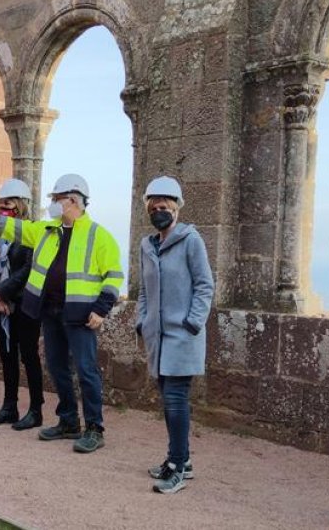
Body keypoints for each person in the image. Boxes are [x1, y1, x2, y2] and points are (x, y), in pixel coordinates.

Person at [0, 173, 122, 454]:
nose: (53, 204)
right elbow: (12, 228)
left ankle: (94, 428)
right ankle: (68, 421)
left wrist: (101, 309)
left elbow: (113, 276)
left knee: (86, 371)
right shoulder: (47, 229)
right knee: (57, 368)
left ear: (73, 200)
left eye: (57, 199)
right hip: (52, 313)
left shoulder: (98, 236)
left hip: (81, 316)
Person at [135, 176, 214, 494]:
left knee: (176, 401)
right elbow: (144, 289)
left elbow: (205, 284)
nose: (159, 207)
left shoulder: (191, 240)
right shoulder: (146, 245)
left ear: (177, 207)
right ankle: (178, 460)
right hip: (158, 338)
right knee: (169, 402)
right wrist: (141, 321)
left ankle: (179, 467)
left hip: (183, 336)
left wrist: (193, 322)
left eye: (166, 202)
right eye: (154, 203)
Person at [0, 178, 44, 430]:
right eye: (1, 204)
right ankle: (9, 406)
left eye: (9, 203)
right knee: (7, 355)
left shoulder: (32, 230)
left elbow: (29, 267)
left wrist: (3, 292)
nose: (4, 208)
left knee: (29, 355)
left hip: (25, 303)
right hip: (3, 304)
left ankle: (36, 409)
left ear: (21, 205)